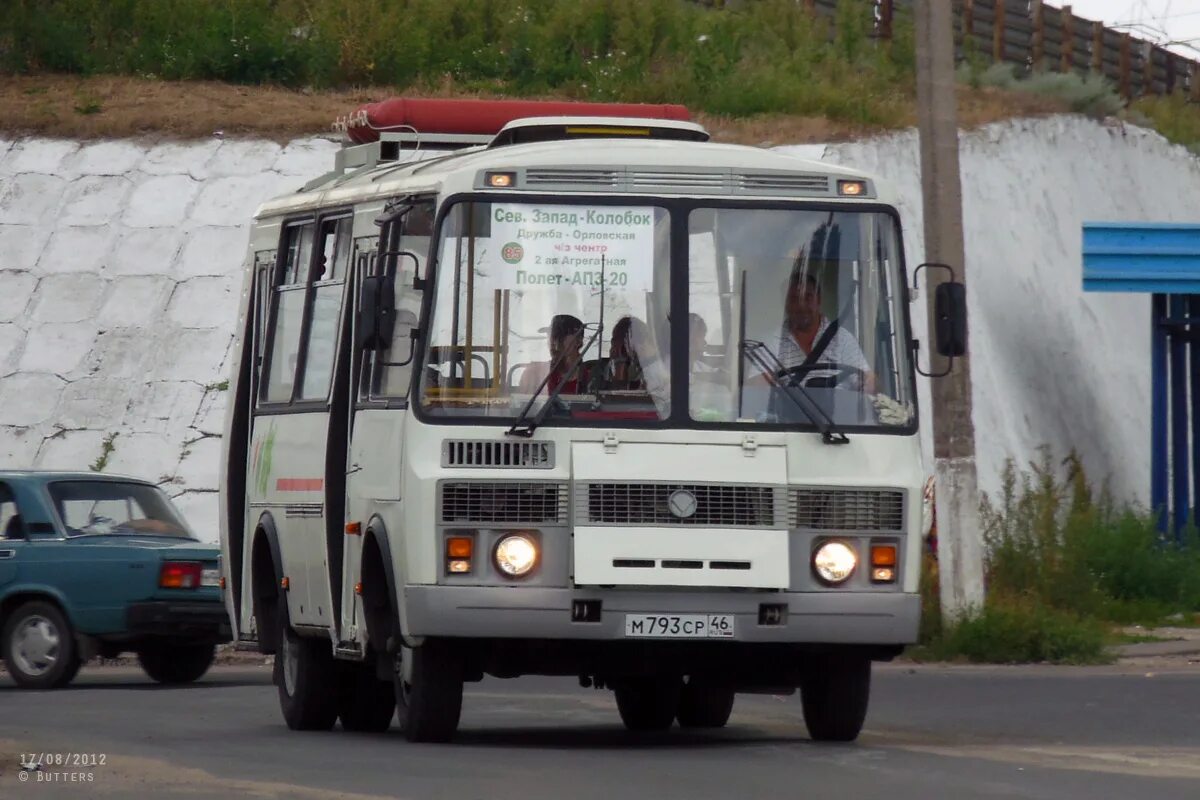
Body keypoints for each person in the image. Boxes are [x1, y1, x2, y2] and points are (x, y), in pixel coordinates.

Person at [777, 271, 876, 393]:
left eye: (808, 297)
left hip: (839, 410)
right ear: (785, 304)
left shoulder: (842, 338)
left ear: (818, 301)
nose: (801, 305)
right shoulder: (773, 342)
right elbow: (757, 388)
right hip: (789, 411)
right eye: (794, 299)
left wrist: (869, 384)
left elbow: (868, 380)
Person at [518, 314, 592, 394]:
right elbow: (521, 404)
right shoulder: (533, 374)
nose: (553, 342)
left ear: (578, 341)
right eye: (550, 336)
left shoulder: (592, 378)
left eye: (560, 336)